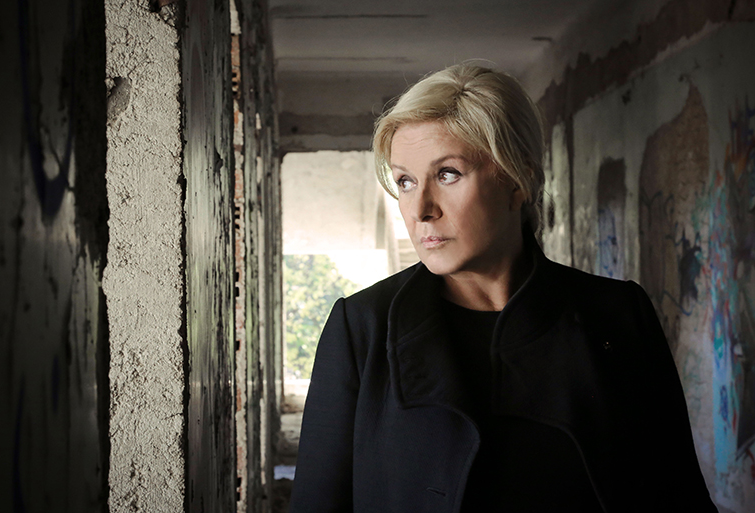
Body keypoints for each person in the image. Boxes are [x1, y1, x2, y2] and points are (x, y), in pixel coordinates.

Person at [289, 64, 716, 513]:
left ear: (517, 181)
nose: (420, 209)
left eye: (448, 174)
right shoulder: (362, 329)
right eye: (405, 182)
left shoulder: (618, 315)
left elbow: (678, 497)